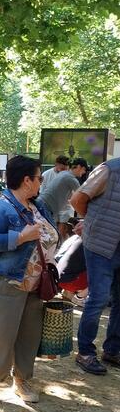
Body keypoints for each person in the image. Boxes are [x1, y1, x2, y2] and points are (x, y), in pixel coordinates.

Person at [0, 155, 58, 405]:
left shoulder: (39, 205)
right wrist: (20, 237)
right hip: (3, 281)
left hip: (34, 285)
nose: (41, 182)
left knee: (28, 336)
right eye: (38, 178)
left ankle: (22, 379)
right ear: (26, 180)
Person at [71, 157, 120, 375]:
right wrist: (90, 221)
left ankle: (112, 350)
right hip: (101, 244)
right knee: (99, 297)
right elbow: (77, 199)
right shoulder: (109, 170)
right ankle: (85, 351)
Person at [40, 157, 88, 240]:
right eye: (84, 169)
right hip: (47, 207)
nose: (84, 172)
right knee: (48, 234)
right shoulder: (71, 178)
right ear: (79, 167)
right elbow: (82, 197)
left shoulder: (64, 174)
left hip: (44, 204)